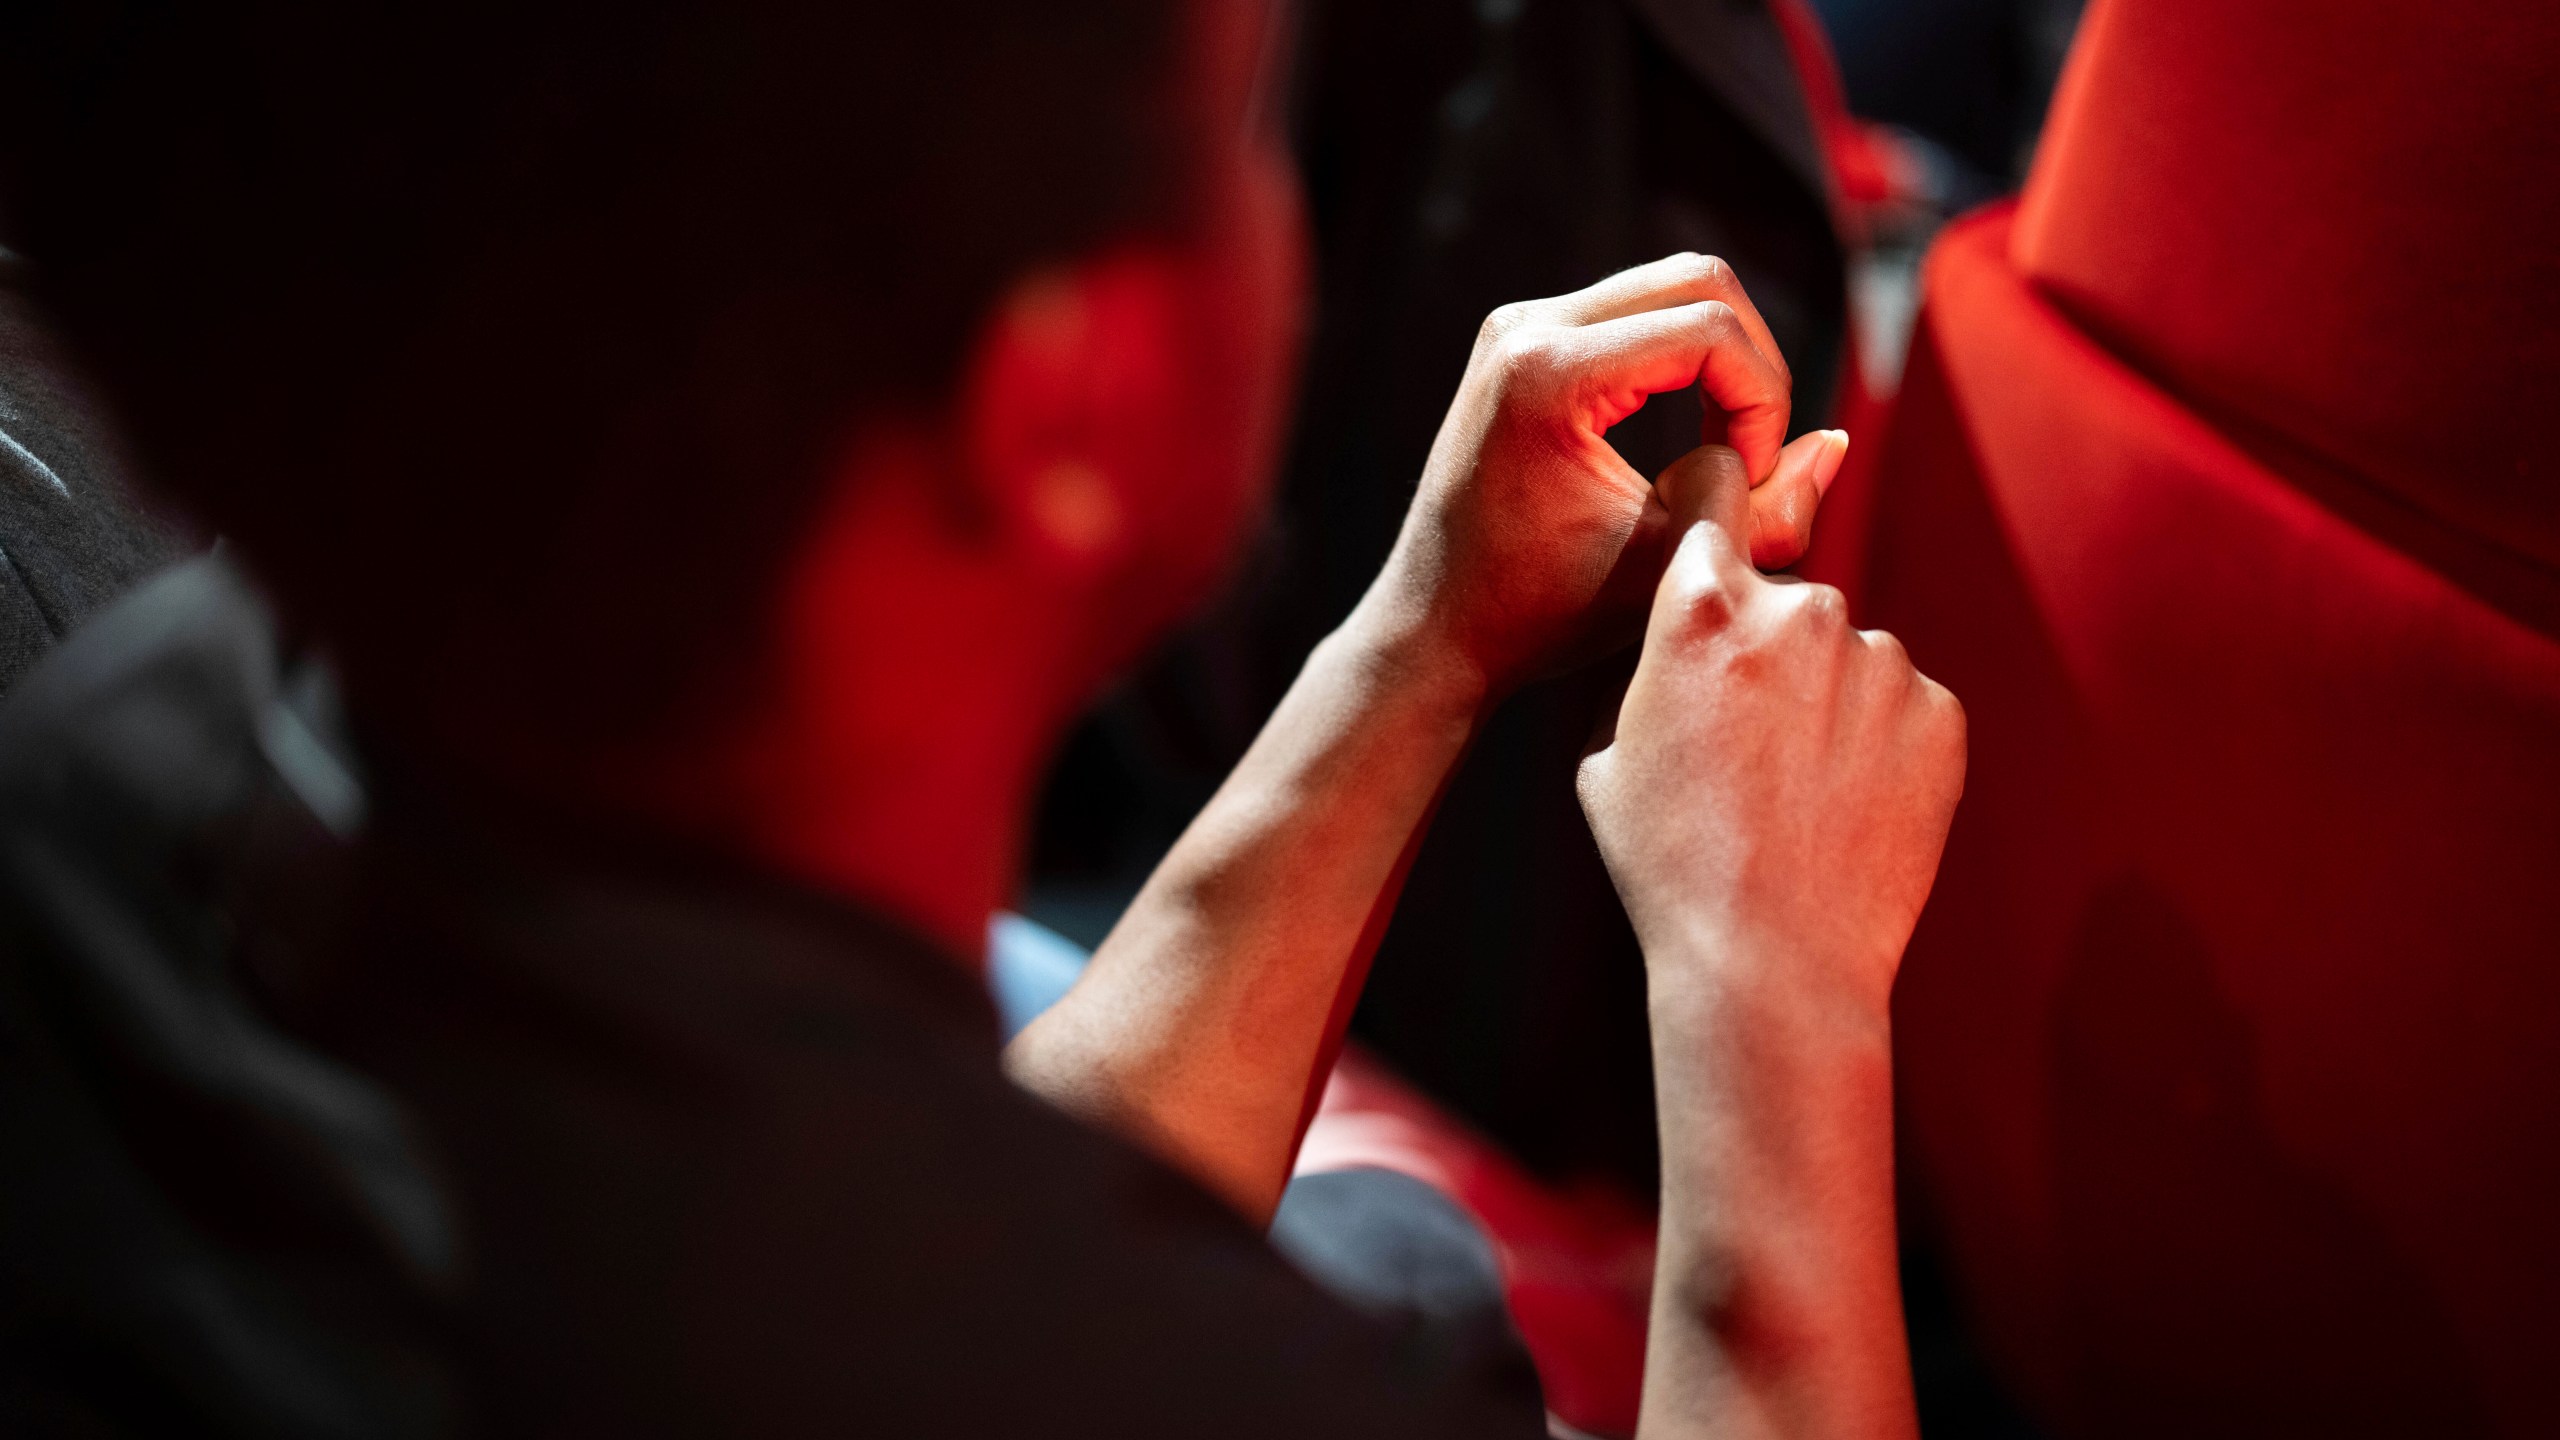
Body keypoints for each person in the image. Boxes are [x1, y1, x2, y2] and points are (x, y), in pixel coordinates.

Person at [0, 2, 1964, 1437]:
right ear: (1068, 398)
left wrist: (1417, 656)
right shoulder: (1181, 1383)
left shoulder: (119, 761)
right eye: (1249, 123)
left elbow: (890, 1211)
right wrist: (1766, 985)